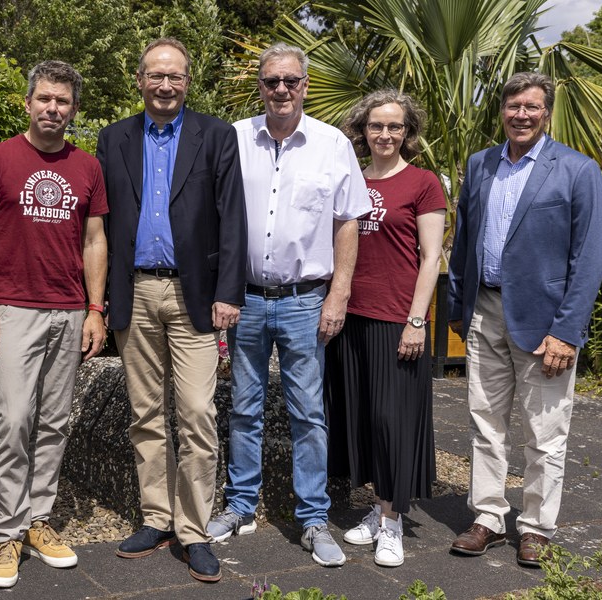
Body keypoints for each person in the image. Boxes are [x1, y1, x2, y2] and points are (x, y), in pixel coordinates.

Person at [205, 42, 370, 567]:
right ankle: (239, 505)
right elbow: (213, 217)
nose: (281, 90)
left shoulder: (332, 144)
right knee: (244, 407)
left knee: (308, 413)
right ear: (261, 85)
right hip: (245, 300)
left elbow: (348, 222)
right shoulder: (233, 138)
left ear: (305, 84)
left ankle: (313, 517)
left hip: (305, 301)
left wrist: (338, 294)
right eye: (272, 81)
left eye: (291, 81)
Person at [97, 37, 247, 583]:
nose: (165, 85)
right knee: (144, 414)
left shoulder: (216, 135)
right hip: (133, 293)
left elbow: (233, 218)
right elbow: (101, 222)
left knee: (198, 414)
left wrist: (229, 292)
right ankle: (156, 516)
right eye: (156, 75)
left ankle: (194, 528)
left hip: (196, 296)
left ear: (188, 82)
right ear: (139, 79)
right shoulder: (113, 138)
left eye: (176, 77)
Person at [447, 72, 602, 567]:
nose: (521, 114)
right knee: (485, 423)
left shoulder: (577, 171)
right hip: (485, 311)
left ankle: (536, 526)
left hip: (545, 325)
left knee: (545, 432)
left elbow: (590, 256)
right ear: (502, 110)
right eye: (513, 105)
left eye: (531, 107)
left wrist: (566, 330)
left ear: (547, 113)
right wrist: (459, 306)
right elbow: (464, 241)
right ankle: (488, 518)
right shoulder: (480, 165)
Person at [0, 60, 109, 589]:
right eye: (45, 99)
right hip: (12, 307)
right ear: (28, 103)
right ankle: (6, 530)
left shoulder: (87, 167)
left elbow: (94, 242)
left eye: (63, 101)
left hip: (69, 309)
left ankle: (38, 521)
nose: (53, 108)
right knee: (14, 420)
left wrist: (96, 309)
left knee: (53, 421)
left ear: (73, 108)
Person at [327, 89, 446, 567]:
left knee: (392, 422)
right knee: (362, 419)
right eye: (377, 125)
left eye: (395, 126)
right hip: (349, 316)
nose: (385, 134)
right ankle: (378, 510)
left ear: (407, 132)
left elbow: (431, 257)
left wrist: (417, 320)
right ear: (363, 129)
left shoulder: (422, 183)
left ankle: (393, 522)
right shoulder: (348, 177)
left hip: (399, 319)